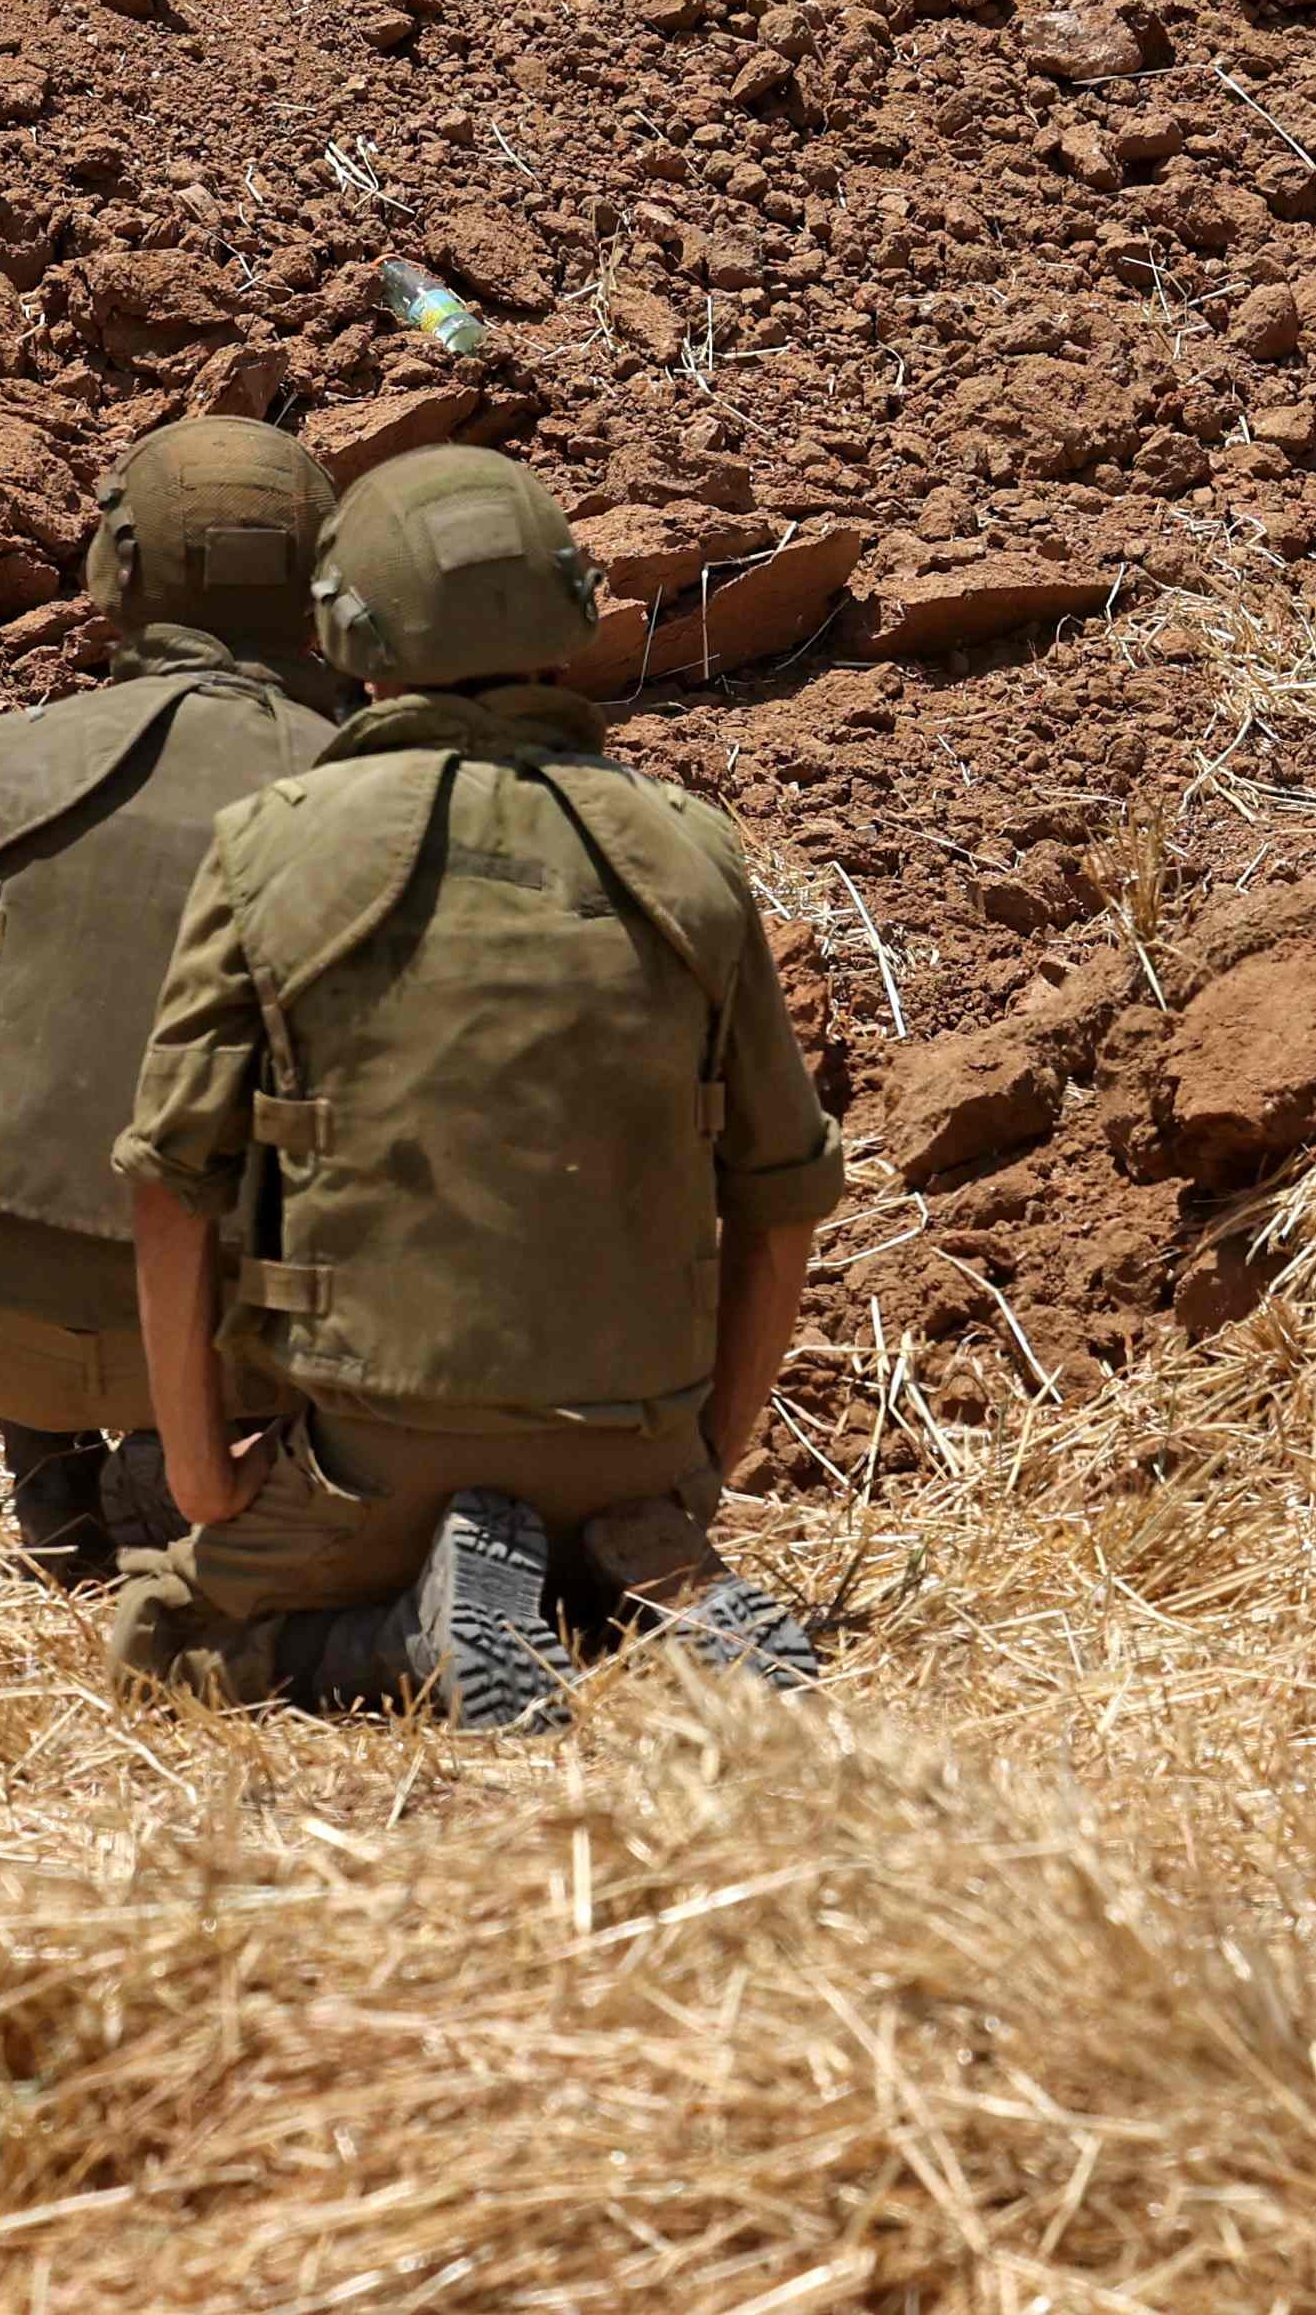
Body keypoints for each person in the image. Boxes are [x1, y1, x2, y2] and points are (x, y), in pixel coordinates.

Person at [107, 446, 838, 1730]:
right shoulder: (691, 851)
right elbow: (781, 1192)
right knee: (584, 1554)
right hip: (640, 1449)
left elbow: (172, 1187)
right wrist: (708, 1454)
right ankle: (638, 1597)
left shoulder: (274, 843)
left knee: (167, 1642)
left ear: (350, 630)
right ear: (567, 616)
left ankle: (411, 1638)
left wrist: (207, 1484)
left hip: (369, 1453)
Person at [0, 416, 343, 1583]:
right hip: (233, 1358)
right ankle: (173, 1479)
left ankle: (51, 1475)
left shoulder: (12, 761)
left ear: (118, 566)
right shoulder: (372, 795)